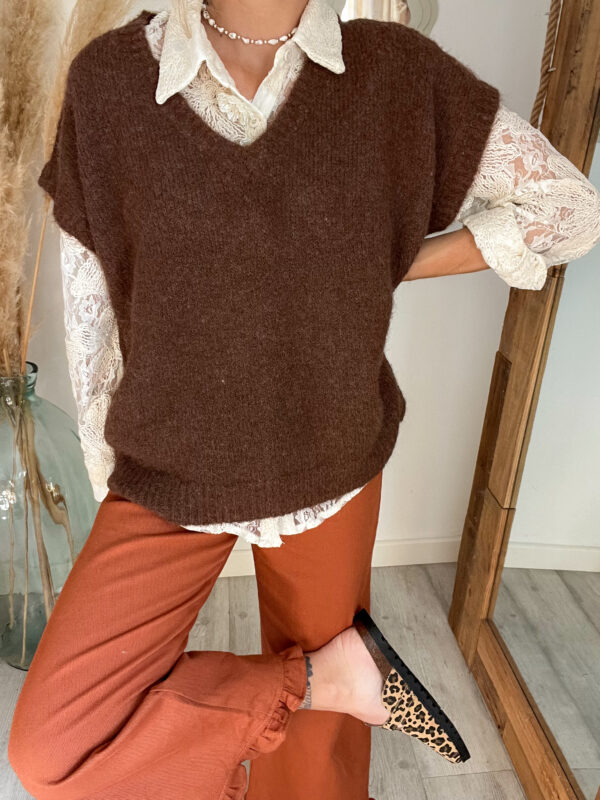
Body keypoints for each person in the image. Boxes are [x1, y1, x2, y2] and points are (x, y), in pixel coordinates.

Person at [7, 0, 600, 798]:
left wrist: (386, 260)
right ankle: (326, 679)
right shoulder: (111, 82)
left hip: (328, 459)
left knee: (316, 773)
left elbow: (566, 211)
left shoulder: (393, 75)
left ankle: (321, 695)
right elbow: (93, 318)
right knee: (54, 745)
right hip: (168, 465)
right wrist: (110, 468)